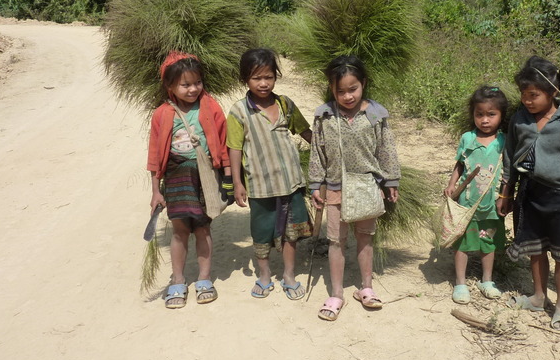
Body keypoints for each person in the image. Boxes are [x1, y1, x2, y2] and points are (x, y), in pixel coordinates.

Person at [496, 56, 560, 331]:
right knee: (535, 250)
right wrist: (506, 192)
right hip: (528, 192)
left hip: (558, 194)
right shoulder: (520, 119)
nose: (527, 101)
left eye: (533, 95)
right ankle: (538, 297)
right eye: (523, 95)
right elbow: (509, 156)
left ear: (553, 92)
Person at [309, 56, 401, 321]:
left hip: (366, 186)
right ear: (331, 88)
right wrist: (316, 184)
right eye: (341, 91)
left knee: (365, 237)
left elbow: (386, 148)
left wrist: (391, 180)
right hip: (335, 187)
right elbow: (317, 152)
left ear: (364, 84)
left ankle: (366, 288)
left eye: (353, 89)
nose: (347, 96)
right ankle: (336, 293)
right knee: (336, 241)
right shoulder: (324, 115)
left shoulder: (375, 114)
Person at [147, 51, 231, 309]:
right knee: (180, 230)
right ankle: (179, 279)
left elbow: (224, 143)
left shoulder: (211, 107)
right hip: (176, 176)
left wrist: (227, 178)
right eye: (185, 84)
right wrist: (155, 191)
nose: (193, 89)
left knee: (203, 228)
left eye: (197, 82)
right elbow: (154, 156)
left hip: (204, 175)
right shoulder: (162, 114)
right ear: (170, 86)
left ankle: (204, 278)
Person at [227, 48, 313, 300]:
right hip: (260, 186)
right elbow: (234, 148)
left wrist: (326, 146)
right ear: (245, 79)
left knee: (292, 233)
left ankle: (289, 275)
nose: (263, 83)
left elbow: (305, 132)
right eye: (256, 78)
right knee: (261, 232)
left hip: (291, 183)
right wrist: (237, 182)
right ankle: (264, 276)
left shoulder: (285, 104)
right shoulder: (239, 111)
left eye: (269, 77)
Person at [443, 86, 508, 304]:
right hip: (467, 203)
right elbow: (460, 165)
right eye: (479, 114)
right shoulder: (467, 138)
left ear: (501, 115)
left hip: (491, 205)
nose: (485, 120)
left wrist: (505, 197)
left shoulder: (504, 141)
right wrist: (452, 185)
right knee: (462, 242)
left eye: (491, 114)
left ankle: (486, 280)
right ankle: (460, 283)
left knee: (487, 242)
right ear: (473, 114)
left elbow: (508, 173)